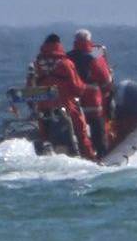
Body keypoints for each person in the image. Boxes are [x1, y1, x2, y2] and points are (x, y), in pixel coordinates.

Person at [29, 33, 95, 160]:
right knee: (82, 132)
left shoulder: (36, 64)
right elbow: (77, 88)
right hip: (66, 106)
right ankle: (89, 157)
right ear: (59, 46)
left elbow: (30, 89)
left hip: (43, 109)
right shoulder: (65, 63)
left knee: (44, 135)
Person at [69, 29, 114, 157]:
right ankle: (101, 154)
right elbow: (106, 81)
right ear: (89, 40)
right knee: (98, 131)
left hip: (72, 103)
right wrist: (107, 91)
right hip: (93, 103)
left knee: (77, 129)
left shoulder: (67, 57)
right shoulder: (95, 57)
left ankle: (80, 152)